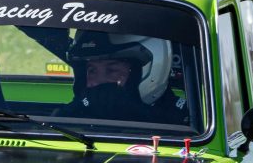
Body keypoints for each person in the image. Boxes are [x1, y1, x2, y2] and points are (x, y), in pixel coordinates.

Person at [57, 31, 189, 126]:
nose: (96, 81)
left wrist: (137, 112)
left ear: (149, 70)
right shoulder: (72, 116)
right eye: (92, 70)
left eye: (112, 70)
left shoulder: (184, 122)